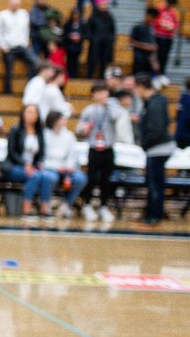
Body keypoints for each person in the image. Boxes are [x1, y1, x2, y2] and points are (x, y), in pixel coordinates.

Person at [76, 81, 127, 223]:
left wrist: (109, 104)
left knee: (107, 179)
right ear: (93, 95)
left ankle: (104, 206)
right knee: (91, 178)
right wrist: (84, 129)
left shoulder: (113, 108)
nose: (101, 95)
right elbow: (79, 130)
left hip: (108, 148)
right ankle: (86, 204)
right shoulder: (89, 110)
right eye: (98, 92)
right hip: (94, 149)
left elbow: (120, 116)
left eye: (104, 92)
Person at [135, 74, 175, 225]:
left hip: (158, 148)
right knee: (153, 182)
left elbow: (157, 129)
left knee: (155, 183)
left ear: (141, 87)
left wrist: (145, 143)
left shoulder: (155, 103)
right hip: (155, 148)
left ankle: (154, 215)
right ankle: (151, 212)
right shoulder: (153, 101)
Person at [5, 104, 57, 219]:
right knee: (34, 176)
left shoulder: (39, 132)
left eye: (34, 112)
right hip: (14, 165)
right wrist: (25, 164)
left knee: (47, 176)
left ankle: (44, 210)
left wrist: (40, 162)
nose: (31, 115)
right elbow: (11, 152)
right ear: (23, 114)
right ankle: (26, 210)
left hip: (33, 166)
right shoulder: (15, 130)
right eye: (29, 112)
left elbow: (42, 152)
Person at [43, 111, 87, 219]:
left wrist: (68, 167)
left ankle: (67, 204)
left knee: (80, 178)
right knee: (50, 178)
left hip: (66, 168)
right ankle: (45, 204)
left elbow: (72, 155)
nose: (64, 121)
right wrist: (55, 167)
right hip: (50, 167)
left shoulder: (69, 135)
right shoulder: (44, 135)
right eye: (62, 119)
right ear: (54, 120)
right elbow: (42, 156)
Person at [0, 0, 36, 95]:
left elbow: (27, 29)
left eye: (17, 5)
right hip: (8, 47)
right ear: (9, 3)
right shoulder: (2, 15)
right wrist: (2, 45)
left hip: (22, 46)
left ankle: (30, 88)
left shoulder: (24, 14)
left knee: (35, 63)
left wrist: (26, 41)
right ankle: (8, 92)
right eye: (13, 4)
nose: (15, 6)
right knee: (9, 69)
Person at [85, 0, 117, 80]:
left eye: (105, 3)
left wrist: (111, 39)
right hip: (95, 43)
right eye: (102, 3)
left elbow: (112, 30)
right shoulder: (93, 17)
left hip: (106, 43)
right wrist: (92, 39)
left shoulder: (110, 17)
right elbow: (88, 30)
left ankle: (102, 78)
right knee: (92, 61)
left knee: (104, 61)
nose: (104, 5)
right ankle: (89, 77)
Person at [154, 0, 180, 77]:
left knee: (165, 56)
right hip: (159, 36)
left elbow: (175, 25)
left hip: (168, 37)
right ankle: (155, 73)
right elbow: (156, 21)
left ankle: (162, 73)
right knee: (158, 55)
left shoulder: (173, 12)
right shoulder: (159, 9)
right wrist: (164, 24)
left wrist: (170, 26)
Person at [129, 7, 160, 76]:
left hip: (149, 60)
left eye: (154, 18)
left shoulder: (152, 28)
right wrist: (146, 46)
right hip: (139, 59)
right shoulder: (137, 27)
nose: (152, 20)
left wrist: (154, 60)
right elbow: (131, 42)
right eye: (151, 17)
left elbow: (153, 45)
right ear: (147, 15)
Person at [62, 5, 87, 80]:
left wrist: (80, 37)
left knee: (76, 63)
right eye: (74, 14)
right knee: (69, 62)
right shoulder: (67, 24)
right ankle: (69, 76)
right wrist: (70, 36)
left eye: (77, 14)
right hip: (69, 47)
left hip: (78, 47)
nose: (76, 16)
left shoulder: (82, 24)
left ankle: (74, 76)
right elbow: (64, 35)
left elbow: (85, 34)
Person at [175, 76, 190, 149]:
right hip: (186, 135)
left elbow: (177, 115)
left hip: (180, 133)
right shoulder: (187, 100)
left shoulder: (182, 98)